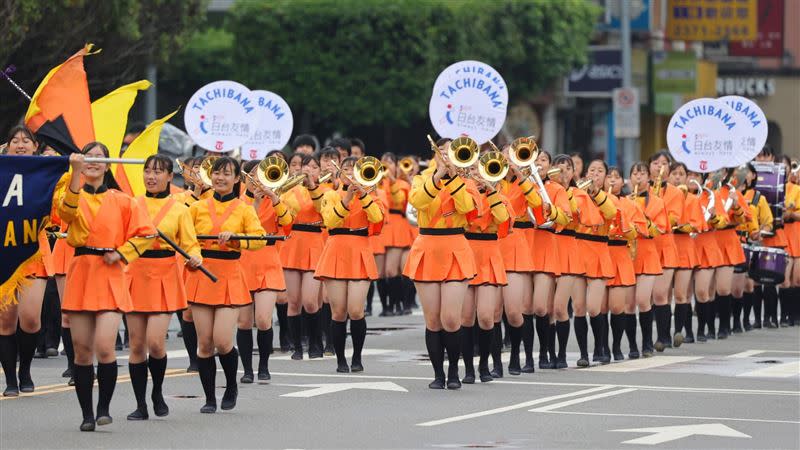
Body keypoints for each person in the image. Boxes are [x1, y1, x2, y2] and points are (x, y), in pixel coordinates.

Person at [58, 142, 156, 431]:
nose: (93, 162)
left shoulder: (124, 200)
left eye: (99, 158)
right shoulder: (71, 193)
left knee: (104, 346)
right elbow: (65, 215)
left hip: (111, 271)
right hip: (81, 270)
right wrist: (75, 174)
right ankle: (87, 413)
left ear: (108, 164)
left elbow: (146, 233)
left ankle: (104, 407)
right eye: (88, 157)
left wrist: (123, 252)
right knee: (81, 350)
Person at [186, 156, 266, 414]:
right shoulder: (196, 207)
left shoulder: (245, 209)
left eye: (227, 174)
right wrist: (190, 256)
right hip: (201, 274)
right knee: (205, 343)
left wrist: (236, 239)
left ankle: (231, 385)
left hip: (230, 276)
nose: (220, 178)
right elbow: (185, 239)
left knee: (222, 340)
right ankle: (209, 398)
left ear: (237, 179)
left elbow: (259, 241)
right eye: (216, 173)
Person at [125, 154, 202, 420]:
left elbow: (190, 244)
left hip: (165, 274)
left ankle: (157, 392)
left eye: (158, 172)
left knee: (156, 343)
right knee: (136, 345)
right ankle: (140, 404)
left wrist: (195, 258)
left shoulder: (180, 209)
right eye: (148, 171)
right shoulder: (132, 205)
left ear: (170, 177)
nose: (151, 176)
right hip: (135, 273)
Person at [403, 139, 477, 389]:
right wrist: (437, 177)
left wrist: (453, 178)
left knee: (451, 319)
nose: (446, 156)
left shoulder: (466, 180)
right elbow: (417, 202)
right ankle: (438, 374)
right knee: (433, 319)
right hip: (427, 247)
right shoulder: (421, 178)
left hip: (456, 246)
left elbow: (467, 208)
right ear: (435, 154)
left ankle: (454, 371)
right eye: (442, 152)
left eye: (450, 153)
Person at [315, 156, 385, 372]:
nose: (350, 173)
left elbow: (376, 218)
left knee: (356, 310)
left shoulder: (372, 196)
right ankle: (340, 360)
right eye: (346, 169)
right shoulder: (330, 195)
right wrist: (347, 198)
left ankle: (357, 357)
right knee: (338, 312)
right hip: (336, 249)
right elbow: (330, 222)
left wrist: (362, 195)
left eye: (354, 170)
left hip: (360, 250)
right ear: (339, 173)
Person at [0, 126, 50, 396]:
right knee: (5, 321)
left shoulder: (45, 173)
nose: (20, 145)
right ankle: (10, 379)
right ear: (6, 147)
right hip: (4, 251)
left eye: (26, 141)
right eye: (14, 141)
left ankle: (25, 370)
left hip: (33, 253)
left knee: (30, 319)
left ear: (35, 147)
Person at [237, 160, 293, 382]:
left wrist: (274, 197)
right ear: (245, 178)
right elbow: (240, 225)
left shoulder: (276, 199)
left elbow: (287, 225)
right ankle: (247, 370)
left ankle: (263, 366)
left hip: (268, 260)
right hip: (243, 261)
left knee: (262, 319)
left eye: (259, 174)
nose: (256, 179)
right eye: (251, 174)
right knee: (243, 322)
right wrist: (256, 203)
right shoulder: (239, 201)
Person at [460, 161, 512, 382]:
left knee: (486, 316)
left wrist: (490, 191)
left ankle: (484, 365)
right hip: (467, 250)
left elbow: (503, 219)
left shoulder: (498, 195)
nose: (475, 175)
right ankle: (469, 368)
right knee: (466, 316)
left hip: (490, 252)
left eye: (479, 171)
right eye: (471, 170)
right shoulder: (463, 192)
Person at [280, 155, 329, 359]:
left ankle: (316, 342)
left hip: (314, 243)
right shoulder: (287, 190)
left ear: (319, 171)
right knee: (293, 301)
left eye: (314, 166)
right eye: (305, 166)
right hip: (292, 243)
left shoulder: (326, 190)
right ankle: (297, 346)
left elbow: (322, 210)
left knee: (310, 301)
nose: (309, 169)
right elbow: (283, 216)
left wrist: (312, 186)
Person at [574, 159, 617, 366]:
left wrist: (595, 192)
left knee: (594, 307)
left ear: (606, 177)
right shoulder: (577, 195)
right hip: (579, 250)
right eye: (592, 170)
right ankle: (583, 353)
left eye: (600, 171)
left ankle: (601, 347)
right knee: (579, 307)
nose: (595, 174)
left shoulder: (609, 197)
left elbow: (611, 213)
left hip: (599, 250)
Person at [629, 162, 668, 358]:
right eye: (635, 174)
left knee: (643, 300)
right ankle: (631, 346)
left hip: (648, 253)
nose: (639, 177)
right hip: (627, 254)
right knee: (627, 305)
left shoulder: (658, 202)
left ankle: (646, 342)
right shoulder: (624, 200)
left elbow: (659, 230)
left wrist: (641, 217)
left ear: (649, 178)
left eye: (642, 173)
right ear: (629, 179)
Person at [605, 166, 644, 360]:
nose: (612, 180)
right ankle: (601, 347)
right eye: (609, 177)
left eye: (617, 177)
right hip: (601, 251)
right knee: (599, 307)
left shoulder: (629, 204)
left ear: (623, 182)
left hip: (620, 251)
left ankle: (617, 346)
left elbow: (639, 229)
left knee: (619, 306)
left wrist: (625, 225)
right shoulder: (595, 200)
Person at [648, 152, 683, 352]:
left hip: (666, 244)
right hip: (647, 245)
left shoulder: (676, 193)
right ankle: (653, 336)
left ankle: (663, 336)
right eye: (655, 163)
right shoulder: (643, 191)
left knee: (661, 293)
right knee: (650, 295)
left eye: (663, 163)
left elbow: (674, 219)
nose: (659, 166)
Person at [666, 162, 703, 345]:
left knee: (682, 294)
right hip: (666, 245)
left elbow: (697, 223)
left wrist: (683, 226)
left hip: (684, 245)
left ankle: (680, 331)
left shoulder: (692, 199)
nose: (678, 177)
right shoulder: (661, 196)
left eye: (682, 174)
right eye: (674, 173)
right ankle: (664, 334)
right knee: (663, 294)